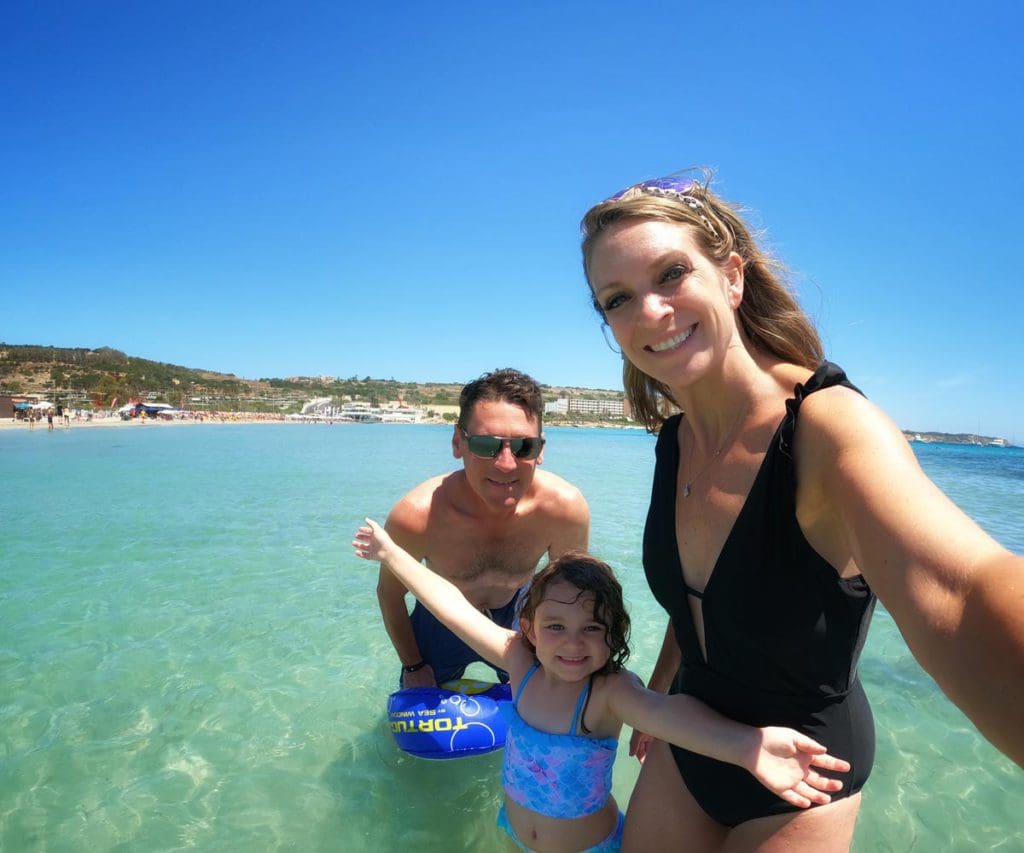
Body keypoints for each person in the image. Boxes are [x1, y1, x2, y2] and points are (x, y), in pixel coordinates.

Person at [580, 173, 1024, 850]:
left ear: (732, 276)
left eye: (671, 273)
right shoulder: (675, 438)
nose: (650, 312)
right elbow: (693, 600)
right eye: (618, 299)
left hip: (804, 776)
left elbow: (962, 594)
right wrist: (662, 696)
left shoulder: (829, 429)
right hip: (691, 736)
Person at [355, 520, 852, 853]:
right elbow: (452, 606)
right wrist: (393, 554)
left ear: (613, 633)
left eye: (593, 627)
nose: (573, 644)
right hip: (515, 835)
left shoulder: (608, 692)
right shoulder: (519, 664)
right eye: (556, 627)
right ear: (528, 628)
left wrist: (749, 746)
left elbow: (668, 714)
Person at [377, 368, 590, 688]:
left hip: (521, 614)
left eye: (523, 447)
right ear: (457, 442)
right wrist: (413, 664)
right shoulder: (418, 516)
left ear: (541, 450)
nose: (505, 464)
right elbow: (390, 594)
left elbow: (570, 598)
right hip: (441, 618)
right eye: (486, 445)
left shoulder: (563, 510)